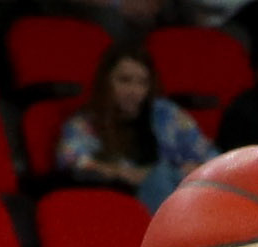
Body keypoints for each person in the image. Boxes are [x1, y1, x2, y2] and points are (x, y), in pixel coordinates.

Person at [56, 40, 217, 210]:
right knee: (159, 176)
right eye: (125, 81)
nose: (134, 91)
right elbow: (71, 160)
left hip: (181, 197)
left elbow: (212, 158)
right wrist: (121, 172)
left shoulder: (165, 114)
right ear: (105, 82)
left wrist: (195, 170)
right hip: (123, 206)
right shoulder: (86, 123)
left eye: (142, 83)